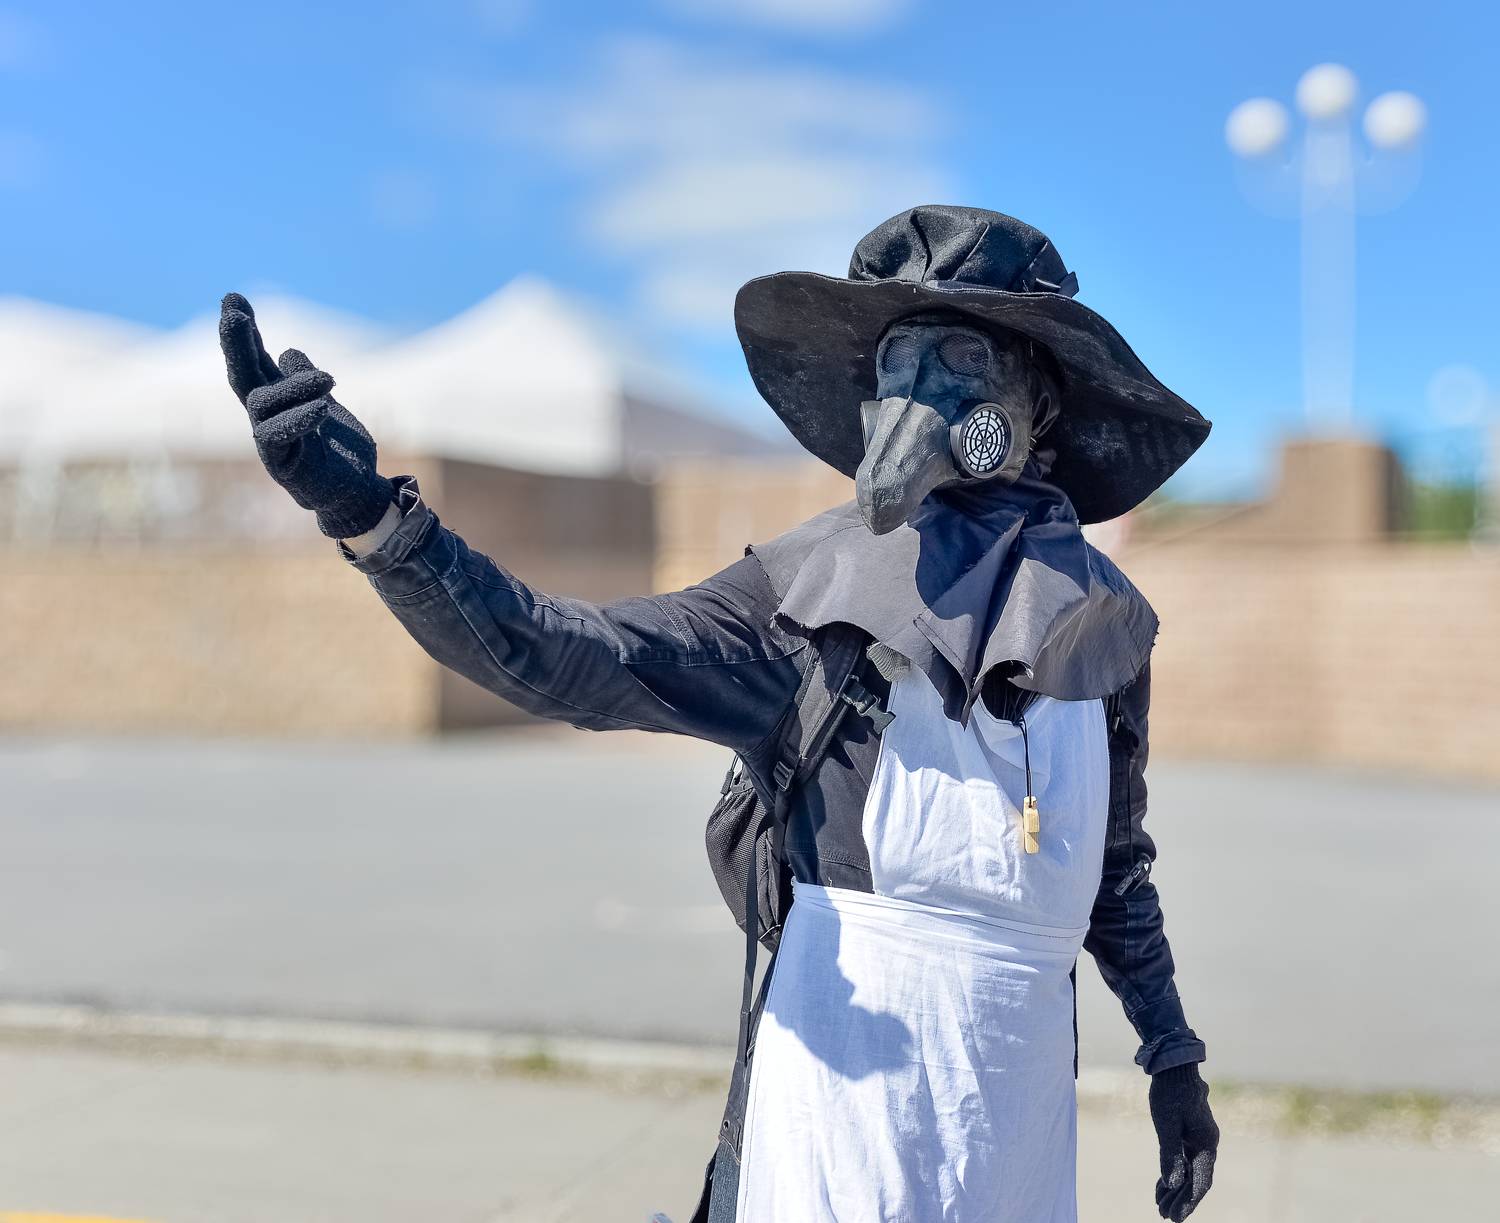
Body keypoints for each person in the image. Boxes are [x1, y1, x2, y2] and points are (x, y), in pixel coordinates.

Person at [219, 205, 1219, 1223]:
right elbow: (565, 652)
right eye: (898, 366)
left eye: (960, 360)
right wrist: (374, 519)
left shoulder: (1102, 624)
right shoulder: (808, 596)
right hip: (846, 1119)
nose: (918, 398)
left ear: (1037, 400)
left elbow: (1112, 867)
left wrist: (1170, 1049)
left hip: (1019, 1108)